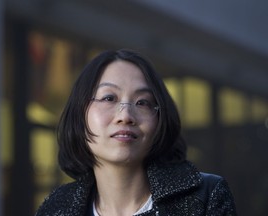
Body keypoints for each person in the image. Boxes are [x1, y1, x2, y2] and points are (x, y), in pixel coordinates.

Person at [35, 49, 237, 216]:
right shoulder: (55, 210)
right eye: (108, 98)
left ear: (160, 119)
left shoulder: (205, 197)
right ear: (80, 114)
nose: (125, 116)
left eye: (142, 102)